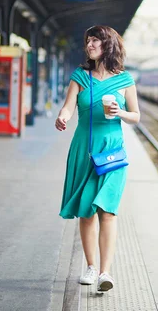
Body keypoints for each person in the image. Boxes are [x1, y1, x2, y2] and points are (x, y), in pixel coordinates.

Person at [55, 25, 140, 293]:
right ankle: (91, 267)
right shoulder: (81, 76)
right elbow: (69, 106)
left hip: (113, 151)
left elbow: (136, 115)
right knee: (87, 211)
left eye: (95, 41)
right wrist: (63, 117)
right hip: (85, 149)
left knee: (108, 210)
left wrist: (121, 113)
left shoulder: (125, 80)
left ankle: (105, 272)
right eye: (88, 40)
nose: (89, 45)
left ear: (109, 45)